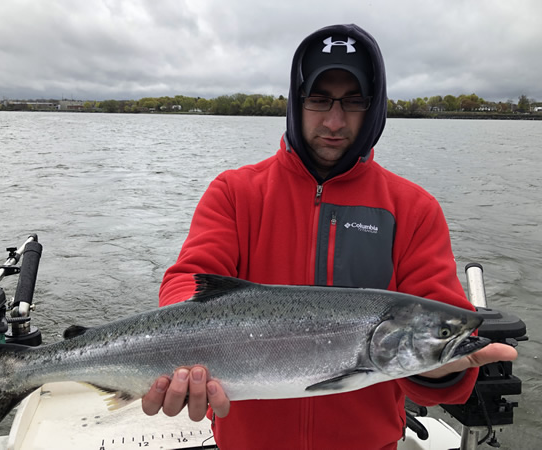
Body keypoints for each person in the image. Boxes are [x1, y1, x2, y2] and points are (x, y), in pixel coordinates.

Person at [141, 24, 517, 449]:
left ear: (373, 107)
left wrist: (446, 367)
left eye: (353, 102)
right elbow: (189, 282)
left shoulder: (412, 208)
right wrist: (184, 347)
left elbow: (439, 338)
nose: (335, 121)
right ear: (296, 102)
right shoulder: (236, 192)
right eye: (319, 100)